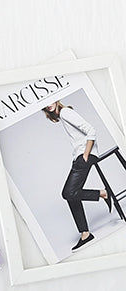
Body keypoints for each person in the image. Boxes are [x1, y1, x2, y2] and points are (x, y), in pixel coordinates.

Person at [42, 100, 112, 250]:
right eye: (45, 104)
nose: (48, 105)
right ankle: (85, 234)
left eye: (50, 101)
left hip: (85, 156)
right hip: (80, 157)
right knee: (71, 195)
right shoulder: (63, 115)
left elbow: (91, 130)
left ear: (56, 99)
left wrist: (85, 154)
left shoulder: (65, 112)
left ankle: (103, 193)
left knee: (68, 193)